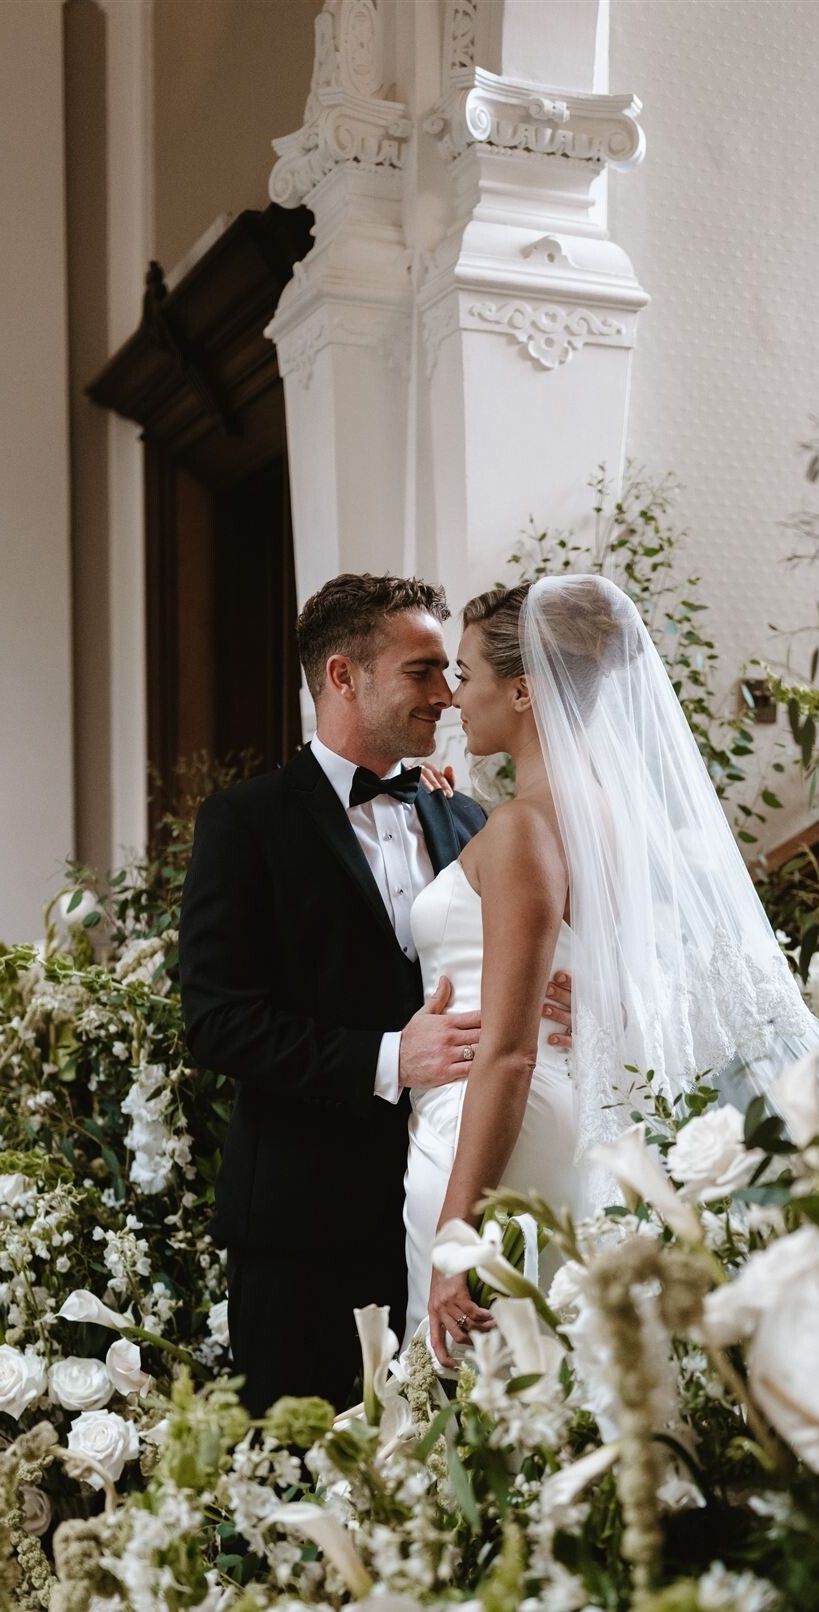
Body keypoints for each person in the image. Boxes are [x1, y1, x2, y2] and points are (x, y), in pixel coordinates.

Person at [404, 574, 819, 1367]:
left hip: (492, 1127)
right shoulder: (624, 824)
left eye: (466, 675)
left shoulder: (515, 831)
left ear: (522, 692)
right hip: (579, 1112)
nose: (452, 697)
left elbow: (509, 1051)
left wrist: (457, 1232)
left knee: (478, 1389)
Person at [178, 573, 572, 1412]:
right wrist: (394, 1055)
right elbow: (217, 1023)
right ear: (342, 676)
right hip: (305, 1226)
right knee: (309, 1480)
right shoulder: (244, 824)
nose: (447, 696)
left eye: (450, 672)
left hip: (453, 1191)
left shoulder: (469, 819)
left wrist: (553, 991)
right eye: (422, 672)